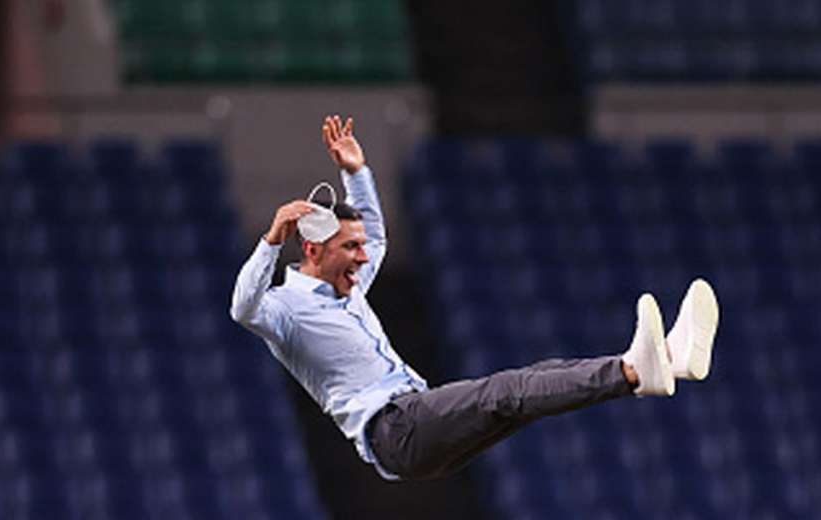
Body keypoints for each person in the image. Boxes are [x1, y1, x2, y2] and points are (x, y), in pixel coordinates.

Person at [230, 115, 720, 481]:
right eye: (349, 247)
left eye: (359, 246)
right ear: (313, 248)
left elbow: (376, 236)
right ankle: (634, 371)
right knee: (505, 391)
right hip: (395, 431)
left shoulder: (348, 284)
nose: (363, 256)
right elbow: (242, 308)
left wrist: (357, 173)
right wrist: (272, 238)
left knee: (533, 383)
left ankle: (665, 364)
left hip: (415, 422)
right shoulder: (286, 310)